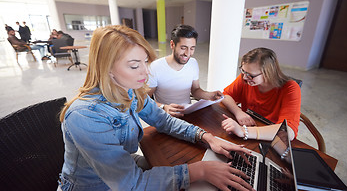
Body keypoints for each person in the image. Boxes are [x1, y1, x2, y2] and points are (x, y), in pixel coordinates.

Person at [58, 25, 254, 191]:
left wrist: (206, 136)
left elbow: (162, 120)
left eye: (145, 62)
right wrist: (200, 170)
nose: (146, 72)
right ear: (106, 68)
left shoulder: (130, 91)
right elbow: (131, 184)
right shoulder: (85, 115)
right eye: (135, 66)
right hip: (93, 185)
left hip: (122, 165)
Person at [221, 47, 301, 141]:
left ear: (268, 73)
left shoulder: (290, 88)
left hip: (269, 136)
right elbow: (225, 96)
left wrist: (243, 131)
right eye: (243, 71)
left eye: (251, 75)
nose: (245, 77)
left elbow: (287, 132)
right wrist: (238, 112)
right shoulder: (246, 78)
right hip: (251, 128)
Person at [148, 24, 223, 117]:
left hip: (188, 112)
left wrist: (210, 95)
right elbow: (145, 99)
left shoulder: (193, 63)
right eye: (183, 48)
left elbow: (195, 90)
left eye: (192, 48)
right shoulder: (155, 67)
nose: (187, 53)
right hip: (166, 117)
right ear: (172, 44)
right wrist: (163, 107)